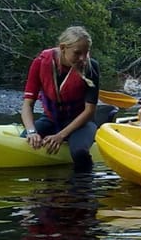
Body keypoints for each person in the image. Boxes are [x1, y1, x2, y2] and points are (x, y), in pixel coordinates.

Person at [21, 25, 101, 171]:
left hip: (81, 123)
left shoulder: (91, 67)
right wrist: (32, 132)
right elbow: (27, 105)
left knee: (79, 153)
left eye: (86, 52)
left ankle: (84, 190)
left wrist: (60, 136)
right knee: (23, 141)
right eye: (77, 53)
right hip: (51, 120)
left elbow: (89, 111)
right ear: (63, 47)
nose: (83, 58)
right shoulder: (40, 63)